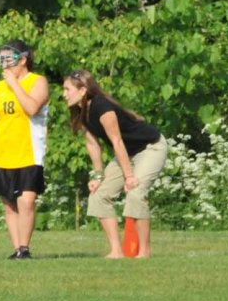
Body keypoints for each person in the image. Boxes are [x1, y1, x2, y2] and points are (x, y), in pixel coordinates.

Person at [62, 70, 167, 259]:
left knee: (135, 193)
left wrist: (129, 177)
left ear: (83, 90)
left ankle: (144, 253)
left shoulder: (102, 107)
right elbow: (93, 144)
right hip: (127, 154)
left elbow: (117, 142)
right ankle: (116, 252)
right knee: (99, 195)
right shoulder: (81, 110)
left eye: (67, 89)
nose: (64, 94)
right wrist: (97, 176)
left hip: (150, 148)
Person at [0, 40, 49, 260]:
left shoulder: (37, 81)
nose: (4, 65)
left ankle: (24, 248)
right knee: (9, 203)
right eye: (1, 60)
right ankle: (17, 250)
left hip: (28, 151)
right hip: (1, 152)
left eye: (9, 60)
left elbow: (32, 108)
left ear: (23, 60)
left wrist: (15, 84)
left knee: (26, 200)